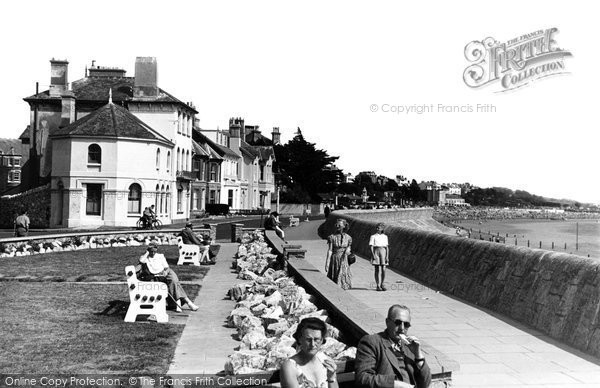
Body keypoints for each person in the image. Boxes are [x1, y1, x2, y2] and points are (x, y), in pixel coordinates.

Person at [355, 304, 431, 388]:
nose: (402, 328)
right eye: (398, 323)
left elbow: (425, 383)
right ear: (387, 322)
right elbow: (363, 378)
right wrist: (394, 384)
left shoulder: (410, 346)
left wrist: (418, 354)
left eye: (406, 324)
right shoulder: (372, 342)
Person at [137, 243, 199, 312]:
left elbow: (166, 267)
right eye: (151, 251)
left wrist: (165, 272)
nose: (153, 253)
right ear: (148, 250)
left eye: (155, 251)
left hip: (166, 272)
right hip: (156, 276)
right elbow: (141, 261)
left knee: (174, 281)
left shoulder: (160, 256)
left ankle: (182, 303)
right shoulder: (146, 258)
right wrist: (147, 253)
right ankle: (186, 302)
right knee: (176, 285)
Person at [280, 318, 339, 388]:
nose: (313, 344)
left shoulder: (326, 361)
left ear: (322, 340)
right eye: (308, 339)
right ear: (300, 339)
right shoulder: (290, 367)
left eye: (317, 339)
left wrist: (331, 378)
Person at [325, 219, 352, 290]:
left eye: (339, 225)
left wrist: (348, 250)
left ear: (344, 226)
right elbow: (330, 250)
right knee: (335, 277)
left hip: (344, 259)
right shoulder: (332, 237)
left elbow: (349, 247)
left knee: (343, 278)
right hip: (335, 259)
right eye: (336, 225)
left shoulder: (348, 237)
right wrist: (327, 263)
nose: (337, 226)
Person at [369, 223, 389, 291]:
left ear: (382, 229)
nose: (377, 229)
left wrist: (387, 256)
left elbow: (386, 247)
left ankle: (382, 283)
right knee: (377, 269)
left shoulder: (385, 237)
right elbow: (371, 246)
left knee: (383, 269)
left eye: (379, 228)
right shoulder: (373, 236)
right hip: (376, 251)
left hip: (383, 251)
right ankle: (378, 285)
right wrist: (373, 255)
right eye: (377, 228)